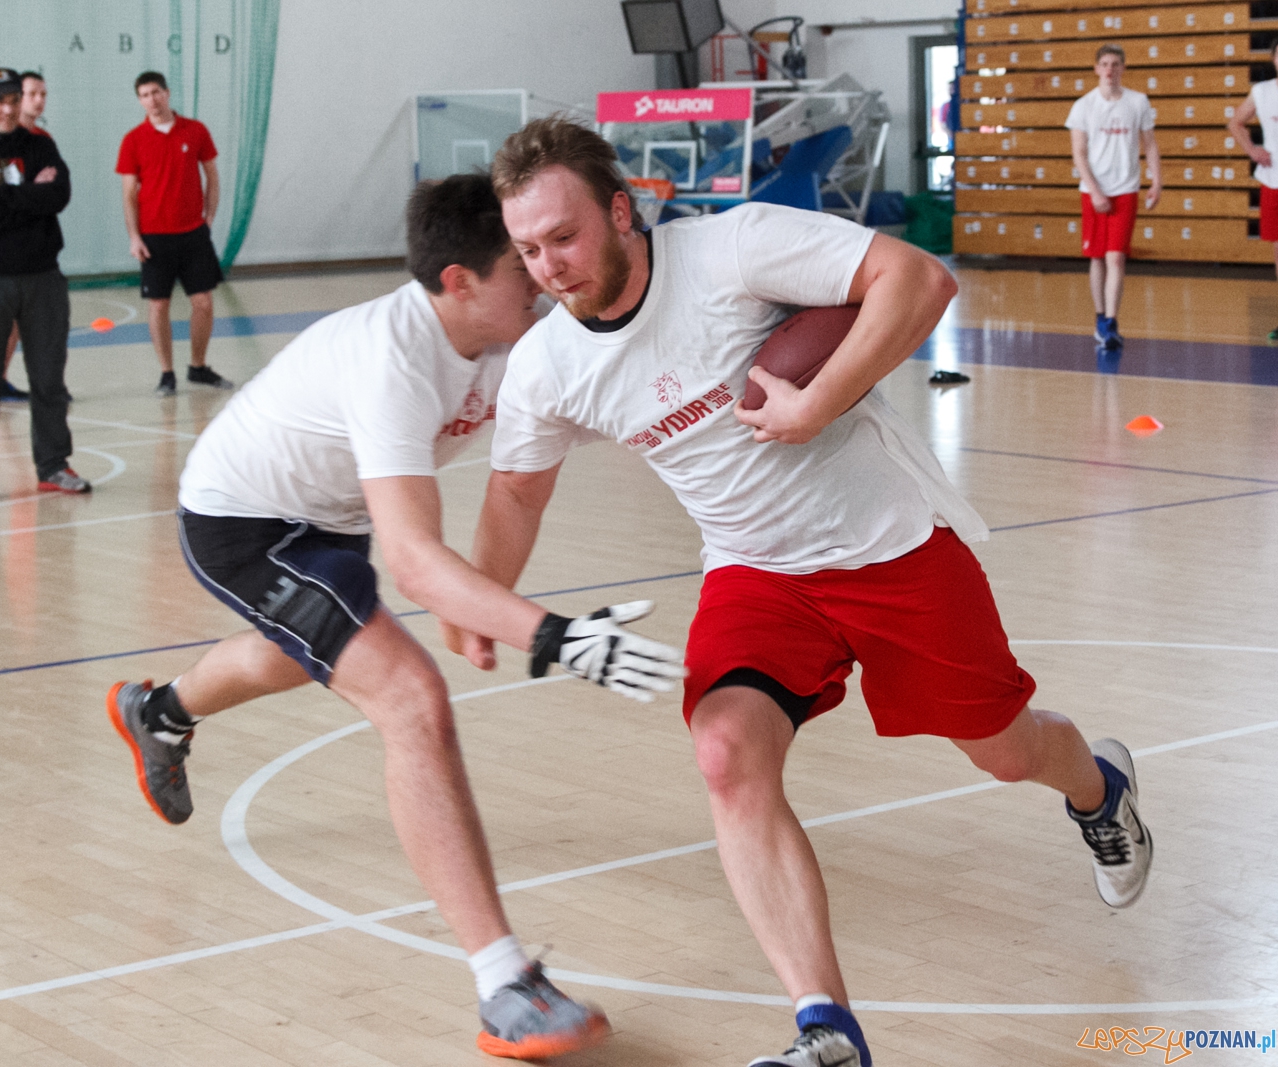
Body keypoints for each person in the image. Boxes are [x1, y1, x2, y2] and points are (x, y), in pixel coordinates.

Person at [458, 118, 1153, 1067]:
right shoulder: (548, 364)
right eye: (529, 249)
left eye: (565, 237)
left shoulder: (733, 248)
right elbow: (516, 488)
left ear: (621, 211)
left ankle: (1101, 790)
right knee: (724, 752)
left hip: (891, 548)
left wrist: (815, 405)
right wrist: (480, 599)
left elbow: (918, 279)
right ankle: (826, 1031)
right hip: (754, 571)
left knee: (1005, 748)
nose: (549, 265)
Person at [106, 174, 685, 1059]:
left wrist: (483, 602)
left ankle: (159, 712)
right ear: (458, 281)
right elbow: (415, 560)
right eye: (518, 265)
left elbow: (551, 453)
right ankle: (505, 986)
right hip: (240, 521)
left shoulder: (510, 335)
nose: (539, 277)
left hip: (328, 520)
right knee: (410, 697)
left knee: (295, 649)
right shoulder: (394, 361)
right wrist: (553, 635)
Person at [0, 67, 90, 505]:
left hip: (43, 276)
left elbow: (59, 196)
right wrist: (28, 195)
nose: (7, 108)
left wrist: (1, 196)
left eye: (13, 100)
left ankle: (53, 465)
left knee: (49, 378)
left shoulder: (40, 145)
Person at [115, 70, 233, 396]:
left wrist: (208, 217)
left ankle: (198, 366)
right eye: (144, 95)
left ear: (167, 93)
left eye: (155, 92)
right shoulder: (133, 140)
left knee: (204, 303)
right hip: (154, 237)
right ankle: (166, 373)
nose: (151, 100)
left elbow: (212, 177)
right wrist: (135, 236)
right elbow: (128, 195)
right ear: (139, 100)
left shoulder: (195, 131)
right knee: (159, 306)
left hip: (193, 234)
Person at [1066, 44, 1161, 351]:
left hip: (1126, 188)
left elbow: (1150, 145)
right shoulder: (1083, 106)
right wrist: (1094, 190)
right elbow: (1079, 153)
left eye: (1116, 64)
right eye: (1105, 64)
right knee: (1097, 257)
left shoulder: (1138, 102)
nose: (1110, 69)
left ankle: (1111, 321)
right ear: (1096, 69)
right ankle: (1099, 318)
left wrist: (1156, 181)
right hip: (1094, 191)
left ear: (1123, 68)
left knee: (1116, 256)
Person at [0, 69, 51, 403]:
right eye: (31, 94)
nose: (38, 100)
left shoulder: (43, 141)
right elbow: (5, 195)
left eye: (43, 94)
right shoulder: (4, 141)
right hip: (5, 245)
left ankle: (35, 383)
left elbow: (57, 191)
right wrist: (34, 191)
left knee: (29, 319)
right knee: (4, 320)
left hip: (37, 244)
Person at [1229, 43, 1278, 342]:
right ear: (1273, 59)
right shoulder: (1262, 91)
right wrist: (1251, 149)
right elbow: (1235, 122)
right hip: (1273, 180)